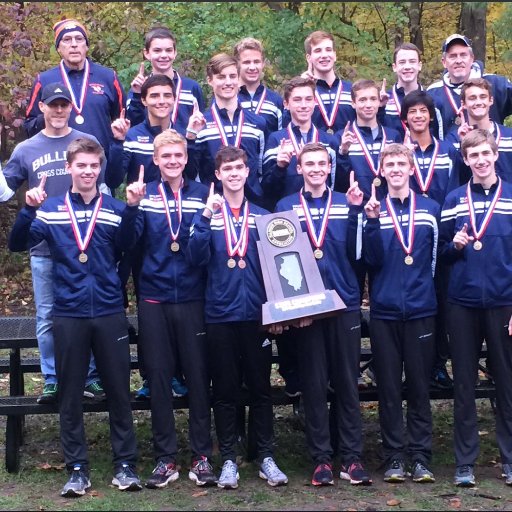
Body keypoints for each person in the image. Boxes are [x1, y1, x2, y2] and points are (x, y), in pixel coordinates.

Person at [8, 138, 141, 497]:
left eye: (93, 166)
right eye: (81, 165)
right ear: (69, 168)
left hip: (110, 312)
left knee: (118, 391)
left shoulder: (114, 208)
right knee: (69, 395)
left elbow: (129, 245)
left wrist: (131, 210)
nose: (87, 171)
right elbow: (17, 244)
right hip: (68, 314)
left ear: (100, 169)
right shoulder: (50, 209)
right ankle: (77, 468)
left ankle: (125, 464)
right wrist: (27, 210)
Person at [118, 129, 216, 488]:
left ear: (186, 158)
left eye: (178, 155)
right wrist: (130, 208)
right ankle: (165, 458)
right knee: (158, 379)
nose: (173, 161)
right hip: (154, 298)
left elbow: (206, 252)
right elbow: (128, 244)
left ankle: (202, 455)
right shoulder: (144, 197)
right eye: (166, 156)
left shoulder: (204, 195)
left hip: (192, 298)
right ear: (155, 160)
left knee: (198, 378)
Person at [187, 145, 288, 489]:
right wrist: (204, 219)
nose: (233, 173)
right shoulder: (207, 216)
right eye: (226, 169)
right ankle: (228, 457)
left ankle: (266, 456)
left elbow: (278, 267)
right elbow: (195, 259)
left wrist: (275, 310)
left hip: (256, 315)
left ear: (248, 173)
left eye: (239, 168)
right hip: (219, 314)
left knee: (261, 388)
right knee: (226, 390)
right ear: (217, 175)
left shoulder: (262, 216)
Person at [1, 82, 106, 404]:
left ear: (71, 108)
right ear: (42, 108)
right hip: (44, 246)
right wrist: (28, 200)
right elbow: (5, 193)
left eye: (63, 105)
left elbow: (103, 191)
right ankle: (51, 378)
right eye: (52, 105)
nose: (58, 110)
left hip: (83, 247)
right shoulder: (26, 149)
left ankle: (89, 376)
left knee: (86, 312)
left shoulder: (87, 144)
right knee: (47, 315)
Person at [275, 143, 371, 487]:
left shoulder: (348, 204)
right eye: (309, 163)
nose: (316, 168)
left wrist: (360, 213)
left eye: (321, 163)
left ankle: (352, 457)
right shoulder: (285, 208)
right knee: (313, 385)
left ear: (330, 167)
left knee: (347, 383)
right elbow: (280, 260)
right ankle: (320, 459)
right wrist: (291, 307)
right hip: (307, 311)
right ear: (298, 169)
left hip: (343, 303)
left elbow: (361, 255)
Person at [439, 129, 512, 488]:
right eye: (473, 156)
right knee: (464, 386)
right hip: (462, 304)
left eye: (486, 153)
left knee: (508, 385)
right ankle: (464, 463)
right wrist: (454, 246)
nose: (480, 160)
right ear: (465, 161)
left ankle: (510, 461)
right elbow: (441, 256)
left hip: (504, 303)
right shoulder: (453, 199)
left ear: (495, 154)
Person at [363, 143, 439, 484]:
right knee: (390, 388)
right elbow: (371, 262)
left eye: (401, 163)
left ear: (411, 168)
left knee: (420, 387)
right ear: (382, 170)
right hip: (385, 311)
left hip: (422, 309)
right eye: (389, 163)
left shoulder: (431, 208)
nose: (395, 168)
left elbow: (434, 261)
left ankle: (421, 456)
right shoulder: (374, 210)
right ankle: (394, 455)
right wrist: (371, 222)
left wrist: (422, 292)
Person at [400, 90, 463, 390]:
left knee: (440, 300)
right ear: (405, 118)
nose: (418, 116)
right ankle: (404, 363)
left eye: (423, 110)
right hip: (409, 236)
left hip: (442, 234)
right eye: (412, 112)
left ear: (430, 116)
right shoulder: (399, 154)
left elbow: (456, 193)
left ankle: (437, 364)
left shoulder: (449, 152)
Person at [24, 19, 126, 158]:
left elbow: (123, 119)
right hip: (58, 161)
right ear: (58, 48)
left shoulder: (108, 77)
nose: (74, 44)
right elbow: (29, 127)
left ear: (87, 46)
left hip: (99, 163)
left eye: (79, 39)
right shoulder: (44, 80)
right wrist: (51, 115)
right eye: (67, 39)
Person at [185, 53, 267, 209]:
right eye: (221, 77)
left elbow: (261, 170)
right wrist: (190, 137)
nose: (228, 82)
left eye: (232, 76)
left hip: (251, 205)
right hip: (212, 206)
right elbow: (191, 172)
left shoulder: (257, 123)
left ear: (238, 79)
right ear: (210, 80)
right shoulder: (200, 124)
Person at [262, 76, 339, 210]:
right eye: (297, 100)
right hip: (288, 214)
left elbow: (334, 184)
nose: (303, 105)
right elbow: (267, 189)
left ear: (315, 102)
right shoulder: (276, 140)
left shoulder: (329, 141)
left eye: (308, 99)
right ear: (286, 104)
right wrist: (280, 167)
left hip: (322, 212)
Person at [427, 34, 512, 140]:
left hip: (492, 153)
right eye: (452, 56)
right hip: (452, 153)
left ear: (472, 58)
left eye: (463, 55)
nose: (458, 61)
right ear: (444, 62)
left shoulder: (496, 83)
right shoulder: (433, 93)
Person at [126, 26, 205, 135]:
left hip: (186, 150)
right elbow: (133, 124)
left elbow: (201, 124)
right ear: (147, 53)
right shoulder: (139, 88)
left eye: (168, 50)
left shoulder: (191, 87)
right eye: (157, 50)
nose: (163, 55)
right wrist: (137, 95)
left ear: (175, 52)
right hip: (149, 149)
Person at [337, 79, 402, 201]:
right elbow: (338, 181)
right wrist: (343, 153)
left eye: (373, 99)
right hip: (356, 208)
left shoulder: (393, 136)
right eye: (362, 100)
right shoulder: (341, 137)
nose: (368, 105)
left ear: (379, 102)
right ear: (353, 103)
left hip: (388, 208)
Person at [444, 77, 512, 184]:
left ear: (491, 100)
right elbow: (455, 178)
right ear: (463, 104)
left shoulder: (509, 136)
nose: (478, 102)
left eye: (483, 97)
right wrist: (464, 145)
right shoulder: (453, 140)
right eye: (472, 98)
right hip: (471, 198)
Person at [381, 42, 442, 139]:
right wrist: (380, 107)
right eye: (402, 62)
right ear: (394, 67)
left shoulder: (434, 101)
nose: (407, 67)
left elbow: (438, 138)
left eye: (412, 61)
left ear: (419, 66)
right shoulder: (384, 102)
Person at [300, 30, 355, 133]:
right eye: (318, 51)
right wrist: (300, 86)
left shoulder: (352, 91)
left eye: (328, 50)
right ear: (309, 58)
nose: (324, 55)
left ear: (335, 55)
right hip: (313, 148)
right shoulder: (302, 92)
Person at [234, 37, 284, 134]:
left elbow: (282, 136)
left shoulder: (276, 101)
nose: (252, 67)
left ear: (263, 64)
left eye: (256, 62)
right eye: (247, 62)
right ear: (237, 64)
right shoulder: (228, 98)